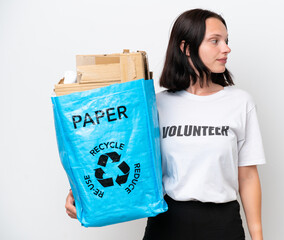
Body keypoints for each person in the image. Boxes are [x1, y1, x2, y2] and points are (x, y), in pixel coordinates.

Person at [66, 8, 266, 240]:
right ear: (186, 48)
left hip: (223, 224)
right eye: (215, 41)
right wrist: (81, 194)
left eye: (226, 40)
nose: (226, 48)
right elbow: (123, 157)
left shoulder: (240, 103)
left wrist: (258, 236)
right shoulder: (155, 105)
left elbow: (248, 176)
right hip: (167, 223)